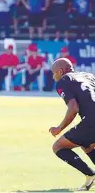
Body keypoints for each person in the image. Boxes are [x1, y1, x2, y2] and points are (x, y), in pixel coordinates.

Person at [49, 58, 95, 191]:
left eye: (53, 73)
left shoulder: (63, 80)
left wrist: (59, 128)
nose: (53, 77)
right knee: (87, 144)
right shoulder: (89, 75)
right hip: (90, 121)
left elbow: (73, 108)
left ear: (60, 71)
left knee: (58, 146)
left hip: (92, 120)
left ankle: (90, 174)